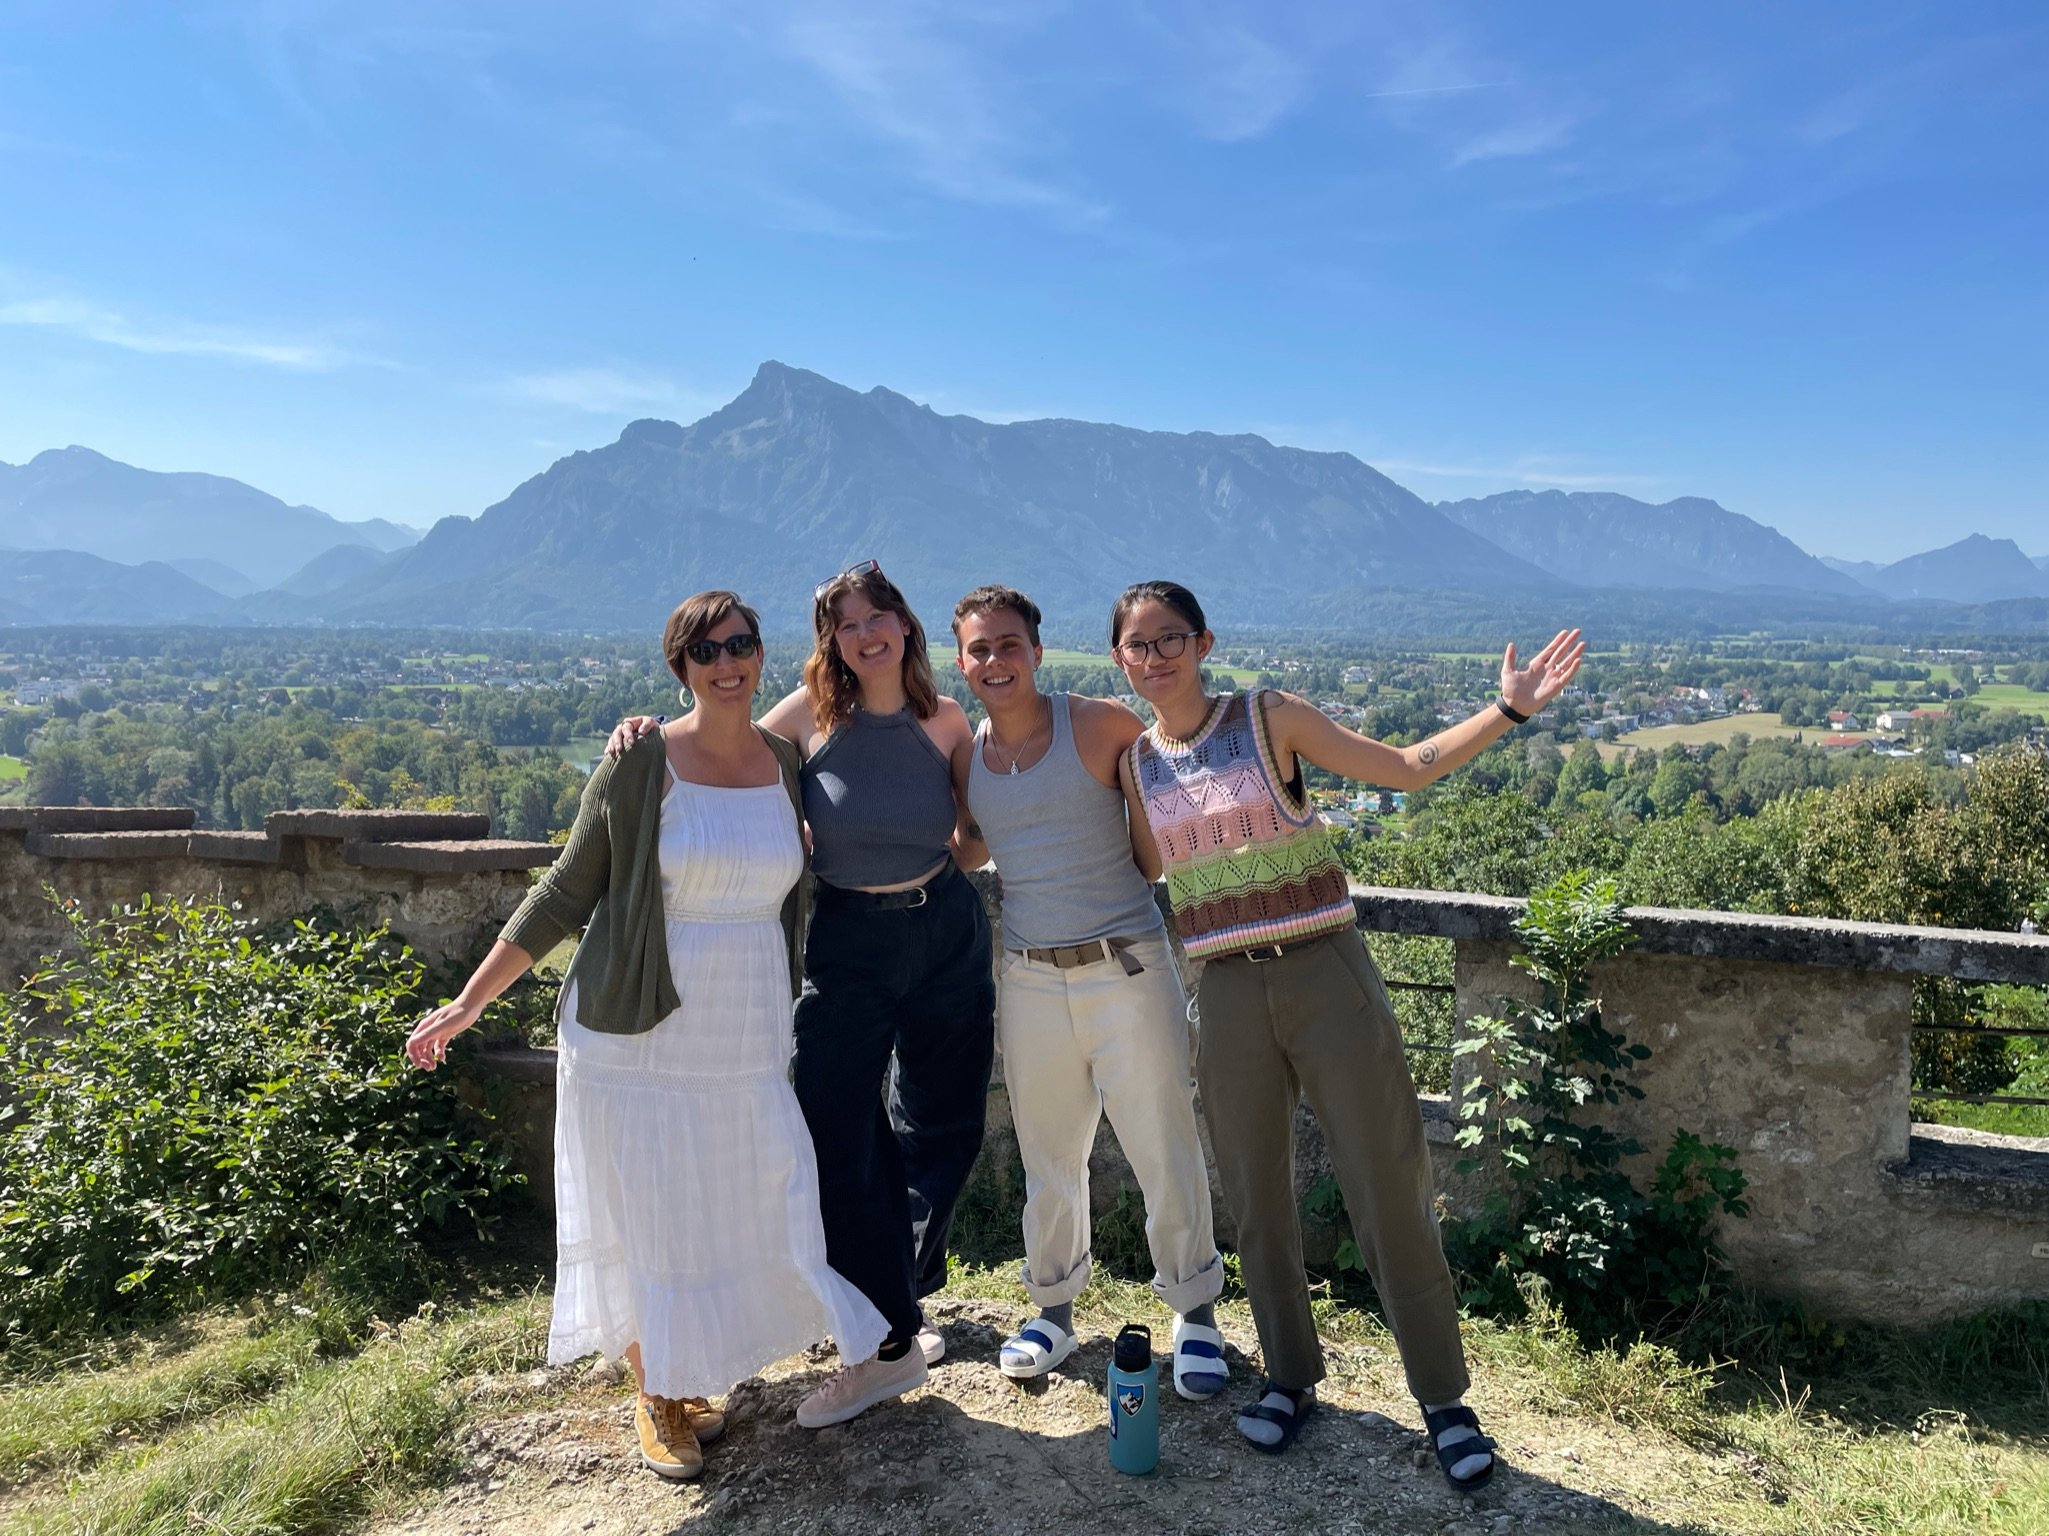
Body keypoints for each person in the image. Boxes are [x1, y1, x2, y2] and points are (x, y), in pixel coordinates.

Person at [1110, 580, 1584, 1487]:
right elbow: (1140, 863)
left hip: (1324, 969)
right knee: (1254, 1198)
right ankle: (1289, 1376)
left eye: (1171, 637)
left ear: (1203, 643)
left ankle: (1443, 1400)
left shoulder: (1267, 715)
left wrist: (1506, 712)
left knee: (1386, 1184)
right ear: (1122, 658)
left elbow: (1404, 767)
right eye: (1136, 643)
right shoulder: (1137, 762)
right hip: (1225, 990)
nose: (1155, 656)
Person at [405, 591, 887, 1481]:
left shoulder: (783, 761)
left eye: (741, 643)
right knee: (649, 1208)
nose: (727, 661)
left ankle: (689, 1370)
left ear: (759, 654)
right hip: (637, 1032)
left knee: (737, 1194)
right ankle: (654, 1393)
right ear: (681, 669)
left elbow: (867, 724)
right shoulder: (641, 761)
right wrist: (470, 1003)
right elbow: (562, 892)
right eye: (706, 651)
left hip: (743, 1031)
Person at [610, 561, 992, 1429]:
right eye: (846, 622)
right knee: (832, 1125)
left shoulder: (944, 721)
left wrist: (925, 874)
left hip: (945, 934)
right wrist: (642, 730)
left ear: (902, 622)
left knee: (946, 1127)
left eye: (878, 615)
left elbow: (974, 837)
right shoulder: (806, 719)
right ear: (833, 640)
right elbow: (722, 737)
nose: (866, 633)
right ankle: (881, 1339)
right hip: (850, 941)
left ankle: (897, 1309)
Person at [950, 584, 1227, 1397]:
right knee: (1048, 1152)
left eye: (1008, 644)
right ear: (961, 663)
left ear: (1037, 650)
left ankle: (1195, 1312)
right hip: (1029, 975)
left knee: (1162, 1143)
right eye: (978, 649)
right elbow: (968, 848)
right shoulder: (969, 754)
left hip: (1127, 965)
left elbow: (1152, 855)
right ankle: (1053, 1309)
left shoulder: (1102, 723)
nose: (994, 660)